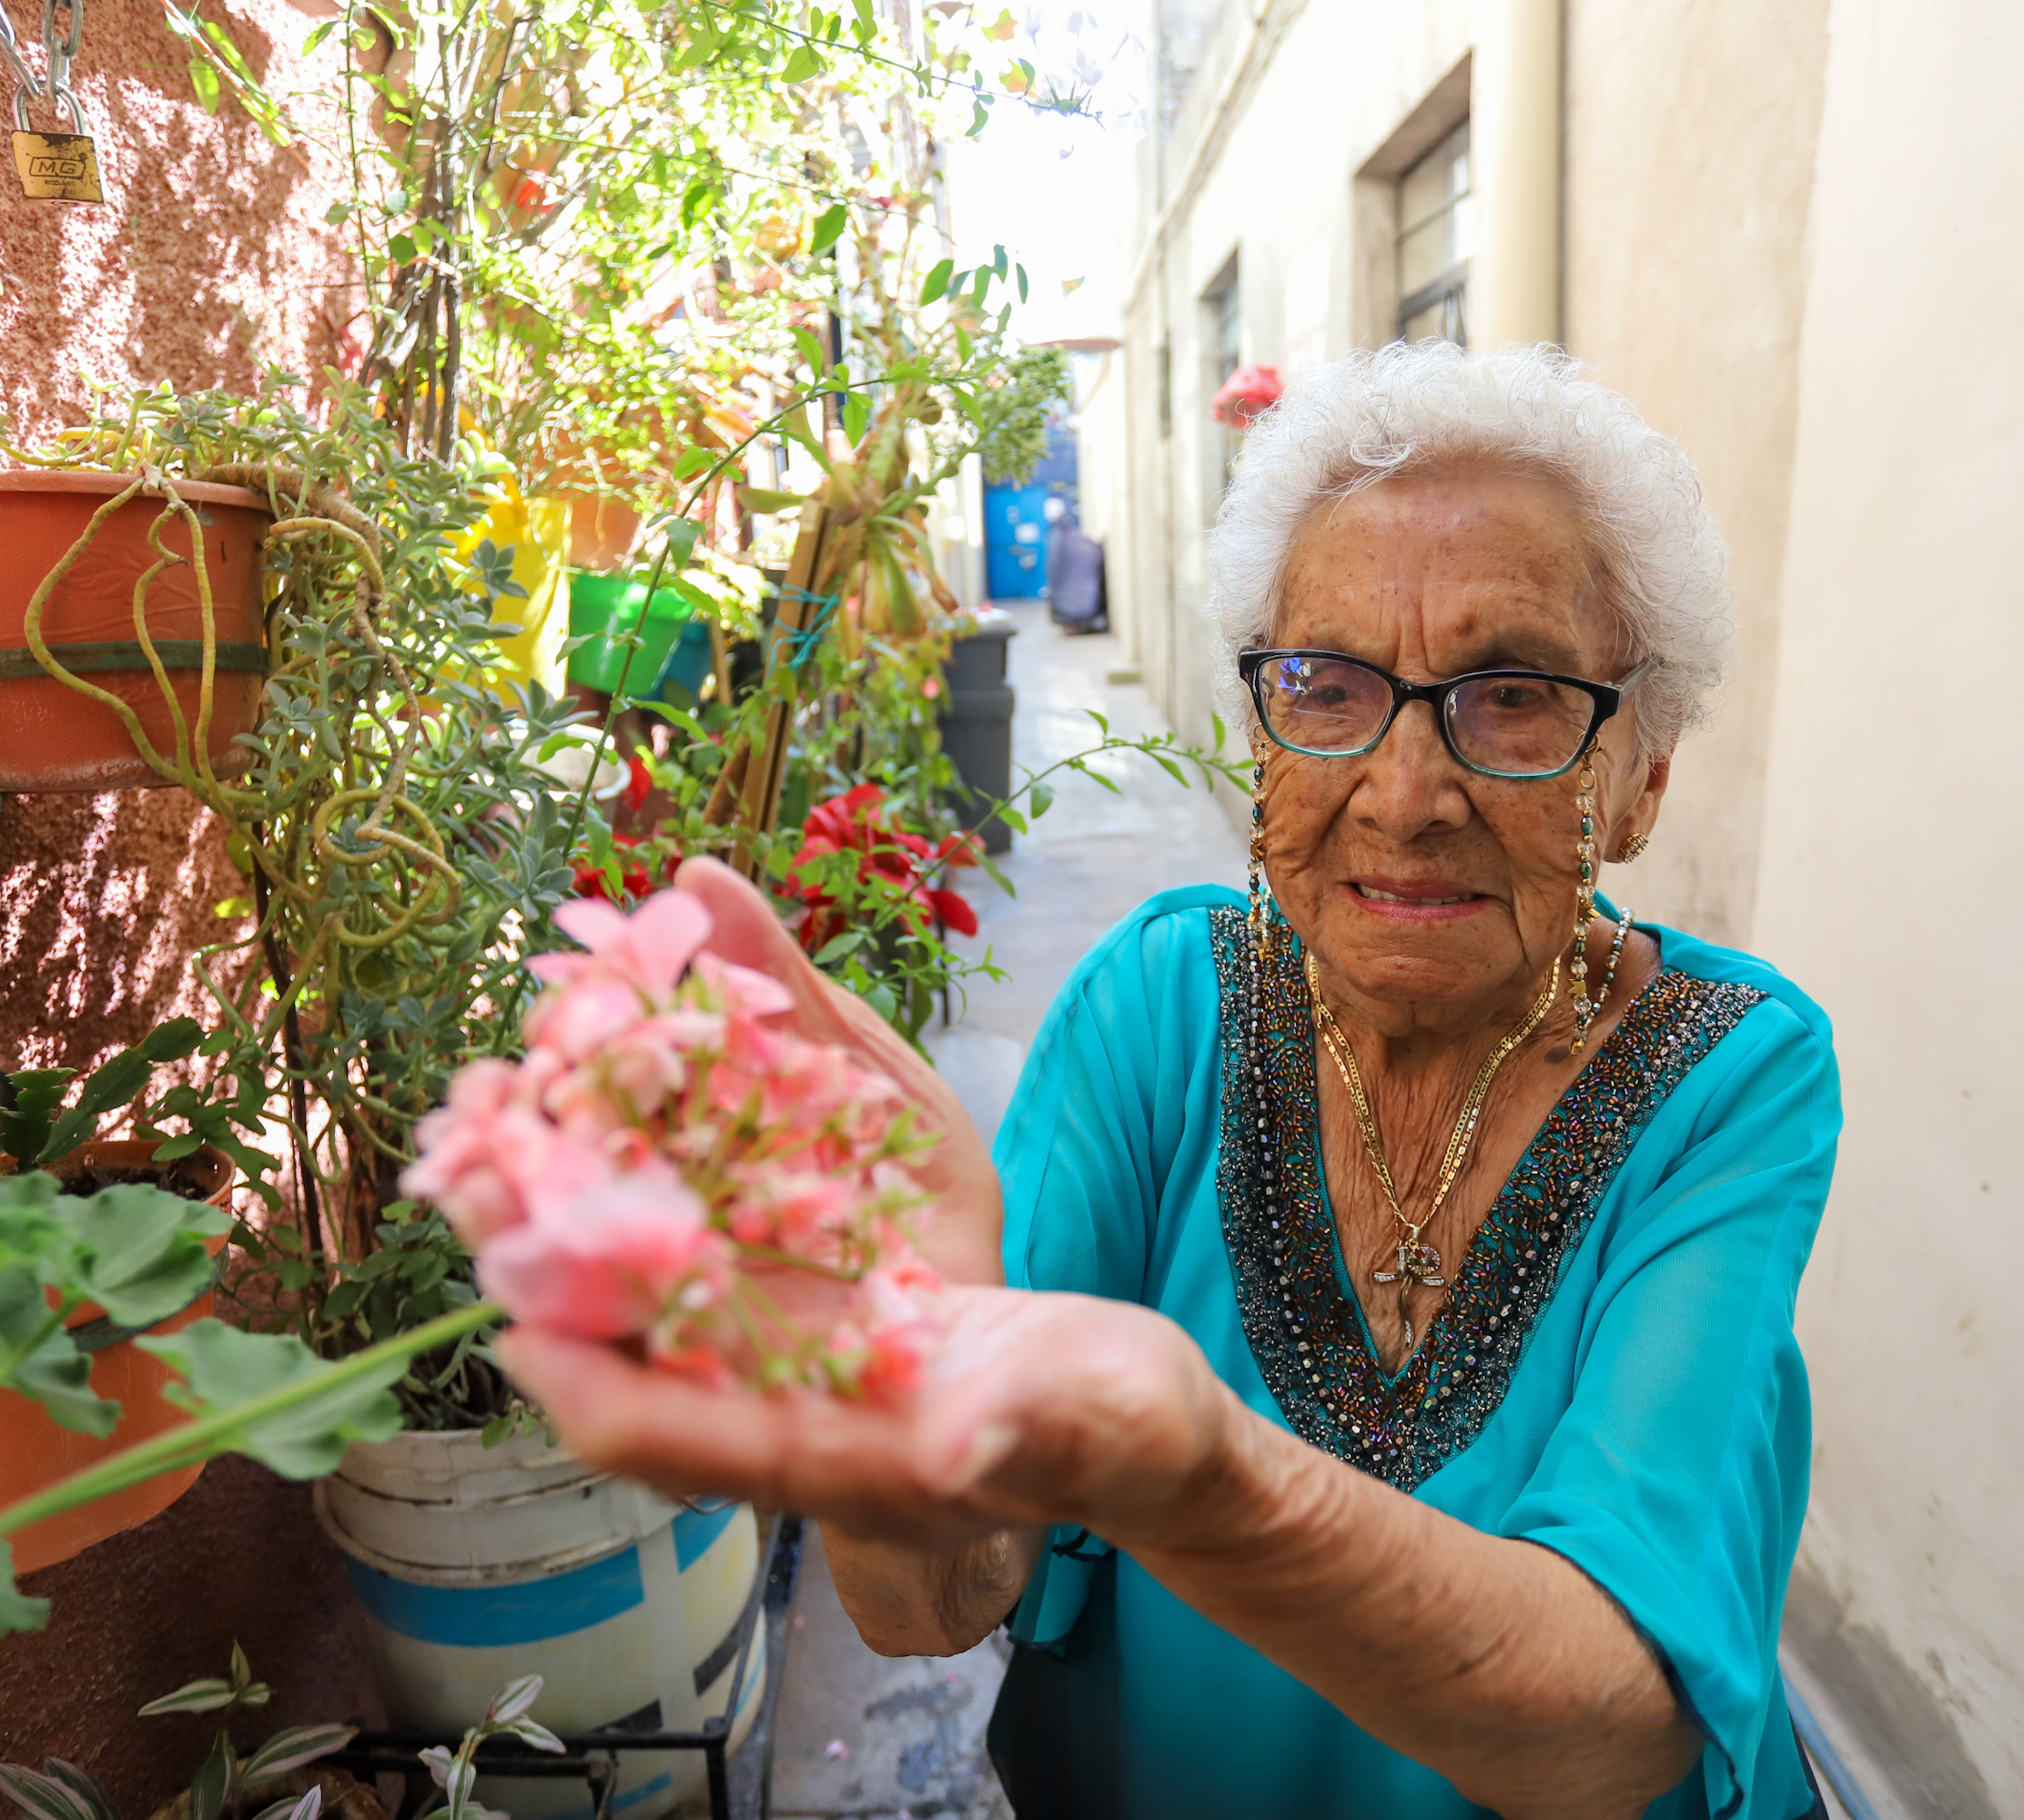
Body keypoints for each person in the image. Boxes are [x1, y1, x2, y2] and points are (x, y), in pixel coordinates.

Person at [506, 342, 1841, 1819]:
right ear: (1263, 730)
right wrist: (873, 1398)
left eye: (1512, 694)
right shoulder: (1160, 1007)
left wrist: (1199, 1474)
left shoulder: (1728, 1077)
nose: (1404, 795)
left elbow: (1609, 1729)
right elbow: (934, 1600)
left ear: (1641, 774)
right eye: (1326, 686)